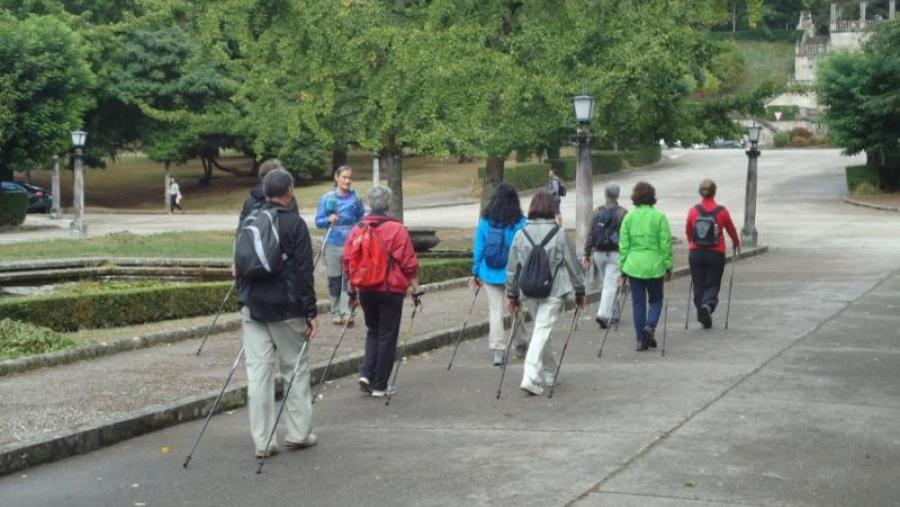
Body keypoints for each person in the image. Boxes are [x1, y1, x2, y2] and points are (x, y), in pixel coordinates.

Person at [235, 168, 319, 458]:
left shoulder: (249, 221)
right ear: (290, 190)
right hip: (287, 308)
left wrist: (242, 302)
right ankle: (298, 433)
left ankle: (263, 441)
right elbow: (304, 272)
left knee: (258, 374)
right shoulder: (295, 224)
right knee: (295, 369)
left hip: (253, 309)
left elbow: (239, 268)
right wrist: (311, 311)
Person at [344, 186, 422, 398]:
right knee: (387, 334)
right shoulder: (397, 229)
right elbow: (409, 263)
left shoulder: (357, 228)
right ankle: (380, 384)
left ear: (370, 203)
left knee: (373, 330)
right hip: (390, 288)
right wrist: (416, 290)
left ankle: (367, 373)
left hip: (365, 288)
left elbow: (348, 262)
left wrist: (351, 292)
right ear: (387, 204)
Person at [506, 190, 585, 396]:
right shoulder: (559, 234)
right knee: (542, 329)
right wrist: (580, 290)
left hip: (529, 290)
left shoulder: (520, 234)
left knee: (542, 330)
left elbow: (512, 269)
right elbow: (572, 264)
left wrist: (512, 295)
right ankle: (530, 376)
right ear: (551, 209)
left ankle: (550, 373)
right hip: (554, 290)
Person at [471, 183, 528, 366]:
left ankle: (497, 349)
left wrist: (475, 272)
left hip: (489, 272)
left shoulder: (485, 222)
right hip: (514, 273)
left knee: (495, 310)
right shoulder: (520, 222)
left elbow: (479, 249)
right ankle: (520, 343)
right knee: (516, 307)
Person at [618, 181, 673, 351]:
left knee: (638, 304)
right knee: (656, 300)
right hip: (655, 265)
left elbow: (623, 245)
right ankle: (650, 326)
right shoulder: (659, 217)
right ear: (652, 197)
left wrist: (623, 267)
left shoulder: (629, 217)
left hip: (634, 265)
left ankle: (641, 339)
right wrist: (668, 265)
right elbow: (665, 243)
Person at [685, 179, 740, 329]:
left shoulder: (693, 210)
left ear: (700, 192)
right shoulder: (721, 211)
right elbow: (731, 229)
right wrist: (736, 243)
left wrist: (692, 244)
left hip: (696, 252)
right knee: (713, 283)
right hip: (715, 253)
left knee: (698, 283)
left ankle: (702, 312)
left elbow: (689, 231)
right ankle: (707, 306)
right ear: (714, 192)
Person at [315, 165, 366, 326]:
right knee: (334, 279)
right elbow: (318, 221)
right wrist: (328, 220)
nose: (347, 181)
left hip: (351, 244)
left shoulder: (356, 199)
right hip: (332, 243)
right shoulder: (327, 198)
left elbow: (361, 220)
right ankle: (335, 311)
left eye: (350, 178)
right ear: (336, 178)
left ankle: (347, 311)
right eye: (344, 177)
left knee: (348, 279)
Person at [581, 183, 627, 328]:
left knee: (608, 283)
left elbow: (590, 234)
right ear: (617, 195)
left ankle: (614, 314)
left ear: (605, 195)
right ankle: (603, 314)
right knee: (610, 284)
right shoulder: (623, 212)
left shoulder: (597, 212)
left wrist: (586, 254)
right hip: (615, 253)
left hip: (598, 254)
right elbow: (626, 236)